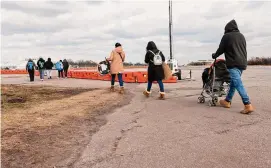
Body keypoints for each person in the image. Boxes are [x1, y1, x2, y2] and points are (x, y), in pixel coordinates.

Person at [212, 19, 254, 114]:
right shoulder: (241, 36)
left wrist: (215, 55)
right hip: (242, 63)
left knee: (238, 84)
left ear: (227, 29)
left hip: (233, 63)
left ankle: (247, 104)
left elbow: (221, 49)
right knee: (234, 83)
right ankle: (227, 101)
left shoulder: (227, 36)